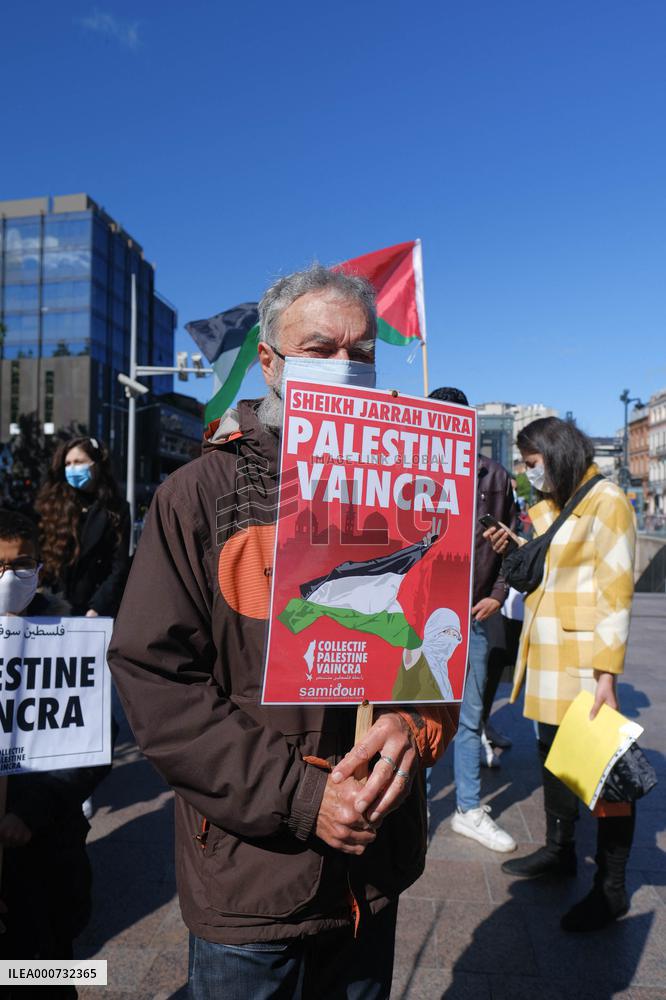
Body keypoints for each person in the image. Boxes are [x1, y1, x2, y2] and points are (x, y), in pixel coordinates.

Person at [108, 265, 458, 999]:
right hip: (255, 880)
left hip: (375, 869)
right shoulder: (201, 497)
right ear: (270, 361)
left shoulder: (413, 490)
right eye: (320, 347)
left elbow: (432, 643)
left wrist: (414, 720)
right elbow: (155, 676)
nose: (345, 367)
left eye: (361, 353)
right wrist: (302, 799)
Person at [485, 416, 637, 931]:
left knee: (601, 772)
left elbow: (616, 593)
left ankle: (611, 888)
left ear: (555, 452)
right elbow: (548, 570)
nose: (529, 475)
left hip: (581, 664)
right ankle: (559, 851)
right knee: (553, 759)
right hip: (548, 658)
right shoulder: (556, 507)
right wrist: (518, 544)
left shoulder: (608, 501)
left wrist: (607, 675)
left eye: (532, 464)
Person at [0, 510, 108, 990]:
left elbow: (92, 746)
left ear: (40, 567)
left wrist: (29, 813)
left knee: (47, 972)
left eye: (19, 564)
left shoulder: (67, 633)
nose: (8, 578)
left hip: (46, 849)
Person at [426, 387, 517, 852]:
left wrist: (499, 595)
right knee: (419, 713)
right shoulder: (411, 470)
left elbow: (510, 539)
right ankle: (414, 807)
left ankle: (468, 808)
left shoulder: (495, 477)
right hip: (422, 615)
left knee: (470, 717)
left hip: (475, 612)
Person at [35, 436, 130, 618]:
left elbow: (119, 565)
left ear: (96, 464)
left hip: (92, 609)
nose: (72, 468)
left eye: (78, 462)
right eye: (68, 463)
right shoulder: (52, 504)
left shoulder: (117, 509)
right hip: (51, 605)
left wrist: (97, 607)